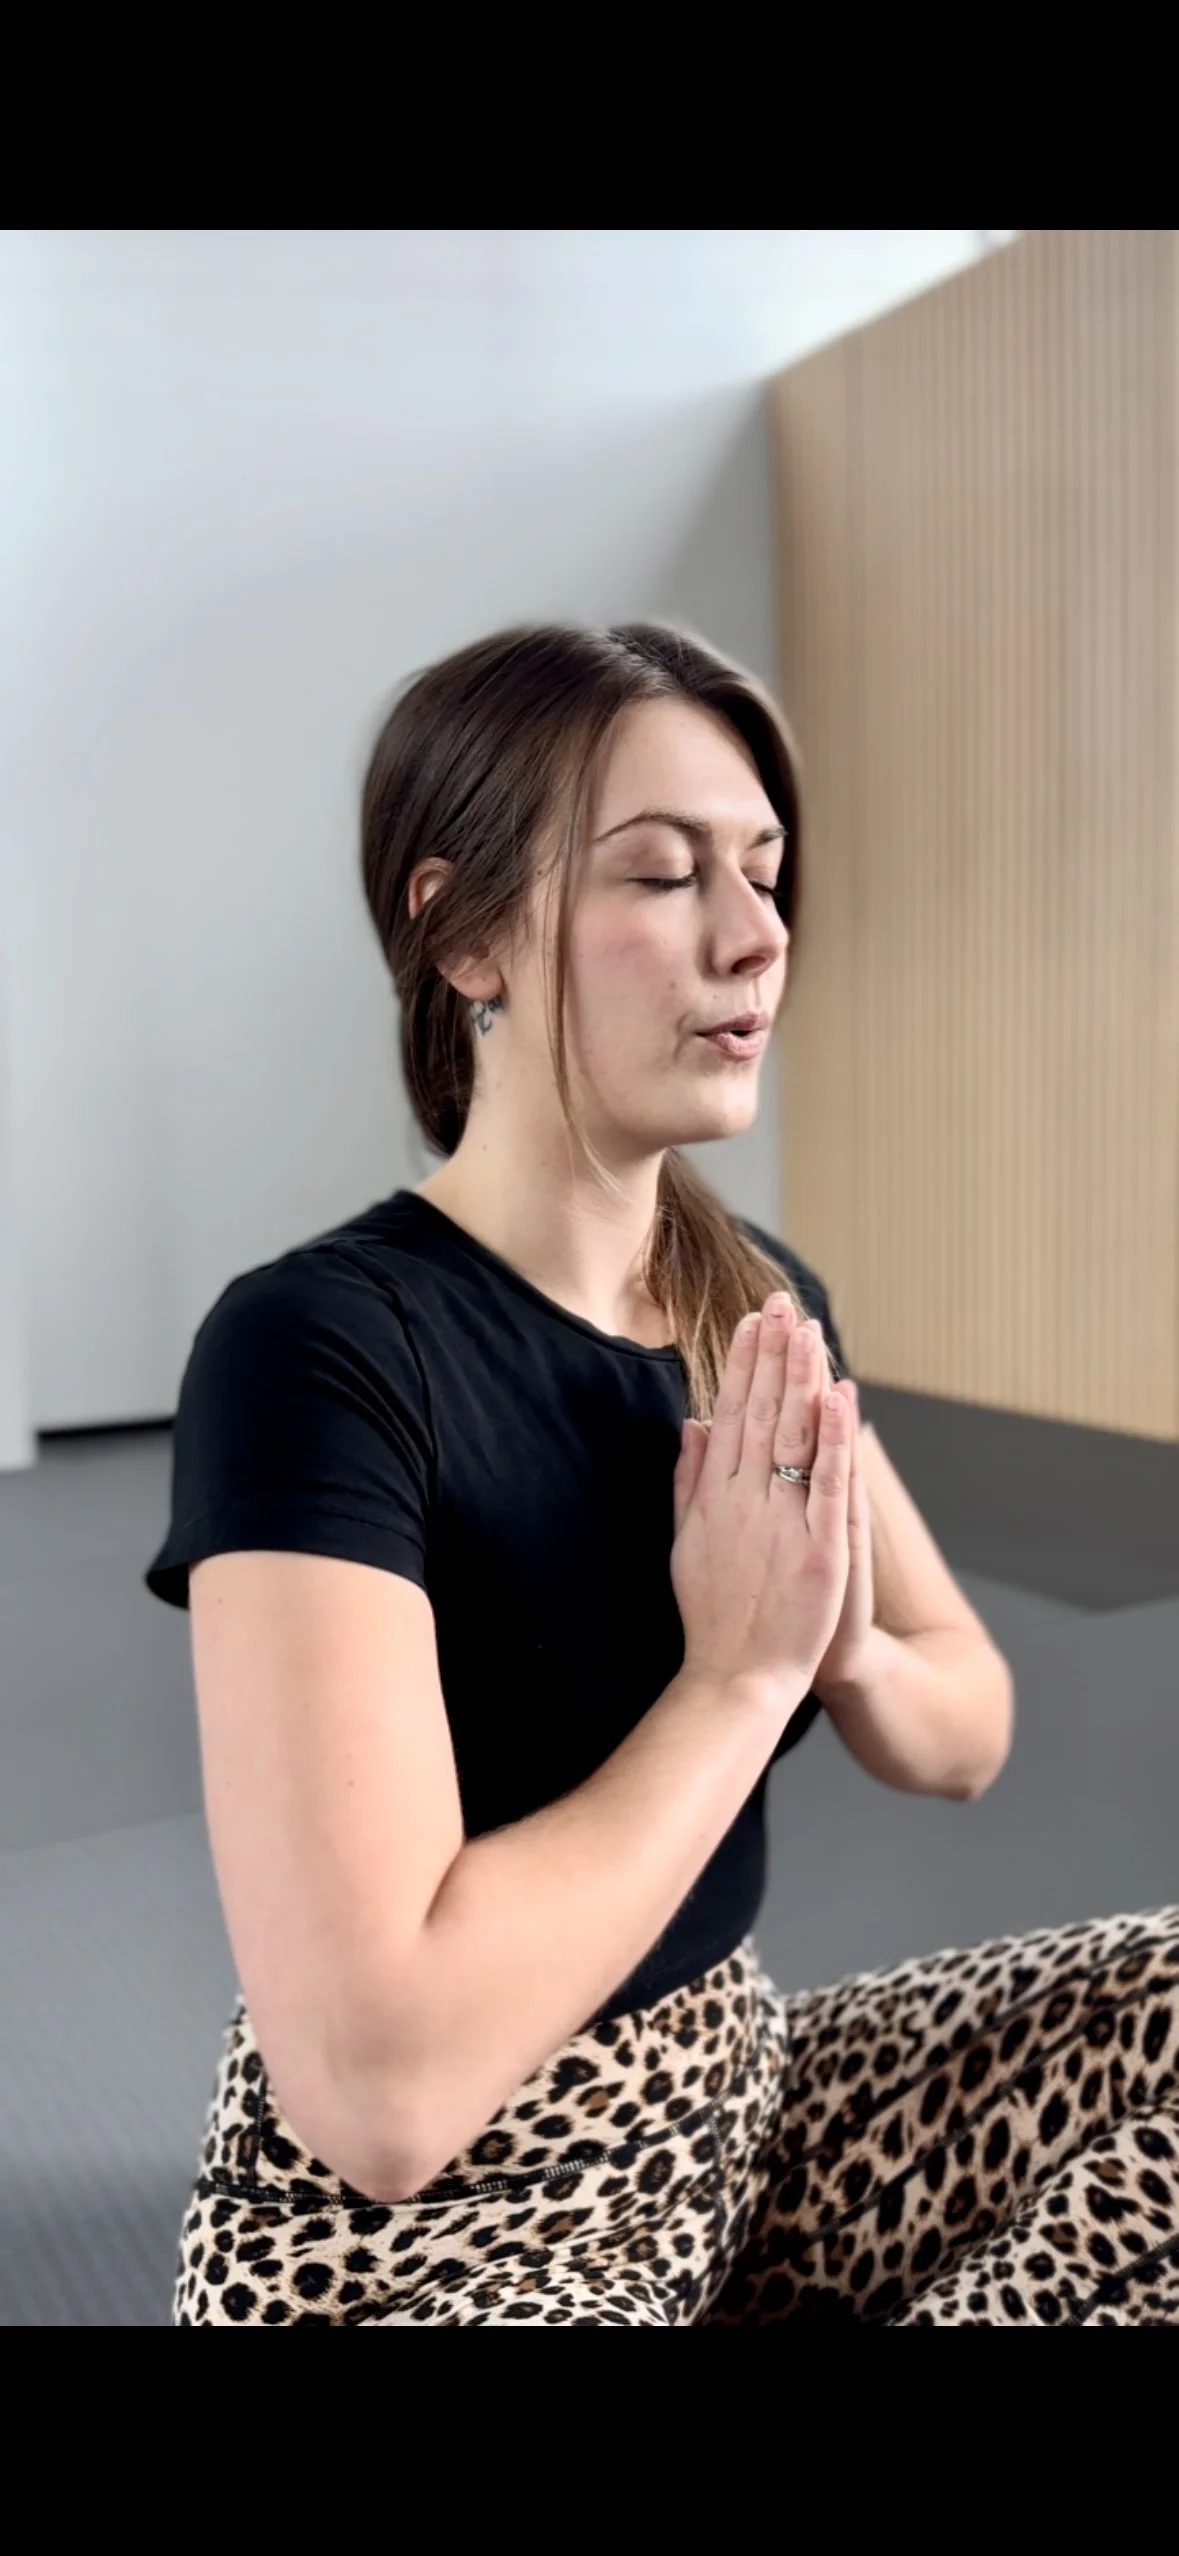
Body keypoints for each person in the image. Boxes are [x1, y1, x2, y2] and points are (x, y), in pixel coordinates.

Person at [146, 621, 1179, 2325]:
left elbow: (968, 1724)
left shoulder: (746, 1299)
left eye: (764, 871)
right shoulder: (316, 1351)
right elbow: (382, 2097)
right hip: (444, 2232)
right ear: (463, 927)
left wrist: (834, 1640)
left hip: (731, 2109)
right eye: (662, 873)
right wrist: (739, 1675)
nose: (757, 933)